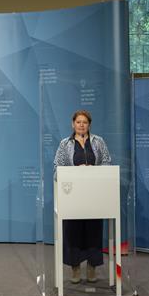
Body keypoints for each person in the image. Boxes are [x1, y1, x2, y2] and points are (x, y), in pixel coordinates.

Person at [53, 110, 111, 284]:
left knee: (93, 230)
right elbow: (57, 168)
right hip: (72, 195)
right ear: (73, 124)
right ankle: (75, 268)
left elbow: (107, 162)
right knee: (73, 231)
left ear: (89, 125)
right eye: (78, 122)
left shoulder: (98, 141)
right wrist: (74, 173)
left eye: (85, 122)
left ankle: (92, 268)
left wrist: (92, 170)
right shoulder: (65, 144)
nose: (81, 125)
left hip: (94, 194)